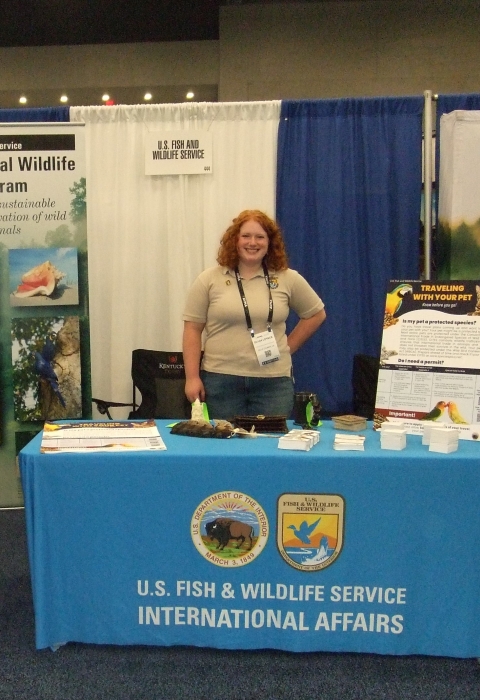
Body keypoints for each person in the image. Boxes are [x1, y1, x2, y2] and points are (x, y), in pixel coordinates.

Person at [182, 210, 326, 420]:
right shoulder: (209, 279)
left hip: (273, 384)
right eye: (246, 236)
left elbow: (316, 314)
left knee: (271, 446)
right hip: (221, 381)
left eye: (260, 237)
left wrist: (285, 348)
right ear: (235, 240)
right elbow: (192, 330)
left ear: (270, 243)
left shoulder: (288, 278)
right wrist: (192, 377)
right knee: (224, 447)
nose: (253, 243)